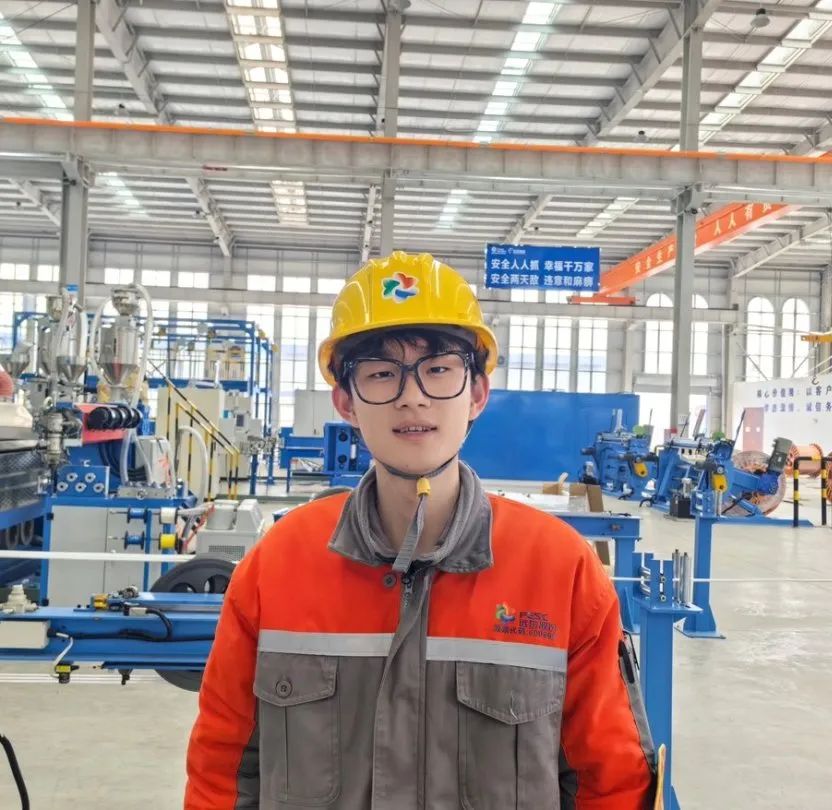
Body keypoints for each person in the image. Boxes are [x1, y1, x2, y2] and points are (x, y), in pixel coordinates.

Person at [185, 251, 657, 809]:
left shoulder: (559, 569)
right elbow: (222, 773)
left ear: (477, 394)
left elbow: (612, 781)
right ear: (346, 403)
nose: (412, 395)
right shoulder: (279, 565)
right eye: (382, 374)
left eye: (437, 369)